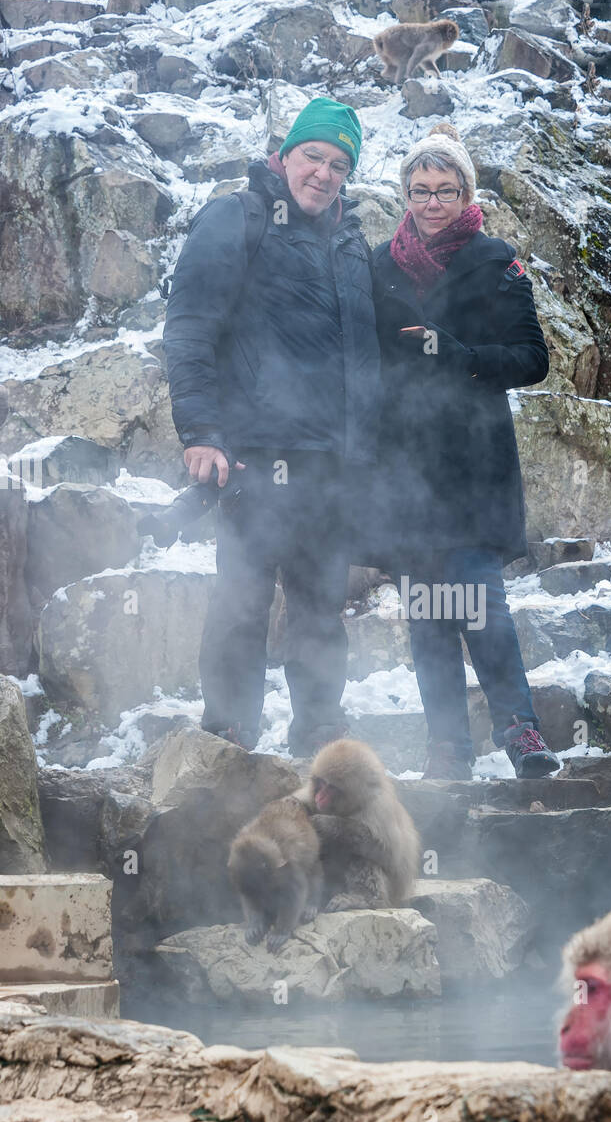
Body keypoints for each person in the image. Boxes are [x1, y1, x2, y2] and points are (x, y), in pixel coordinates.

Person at [163, 98, 380, 755]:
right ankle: (229, 739)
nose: (324, 172)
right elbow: (190, 327)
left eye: (339, 164)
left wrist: (366, 452)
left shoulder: (350, 244)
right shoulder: (238, 216)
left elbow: (362, 357)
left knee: (319, 610)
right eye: (313, 155)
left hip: (330, 463)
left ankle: (319, 738)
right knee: (242, 603)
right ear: (284, 154)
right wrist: (201, 430)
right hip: (252, 454)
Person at [370, 124, 559, 781]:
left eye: (445, 190)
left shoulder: (494, 260)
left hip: (475, 464)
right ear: (404, 193)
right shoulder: (378, 265)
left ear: (464, 192)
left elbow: (533, 359)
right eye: (420, 190)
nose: (431, 203)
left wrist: (457, 356)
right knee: (427, 614)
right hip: (405, 469)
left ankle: (519, 729)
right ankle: (447, 749)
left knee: (478, 597)